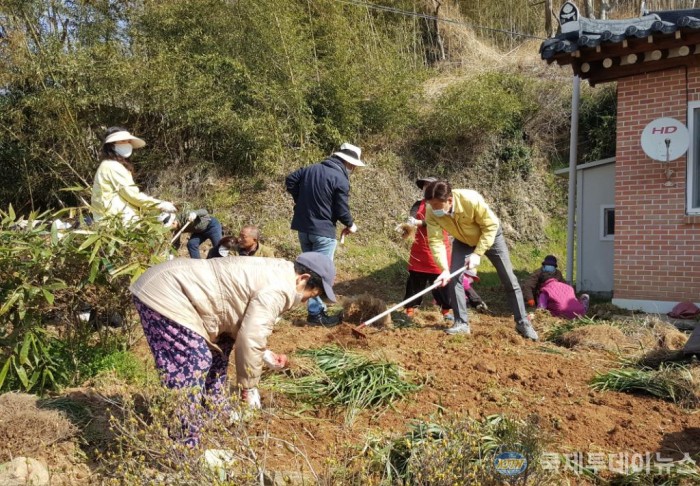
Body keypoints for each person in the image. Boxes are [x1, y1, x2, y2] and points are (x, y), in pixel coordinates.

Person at [129, 252, 337, 446]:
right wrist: (249, 386)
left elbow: (241, 320)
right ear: (303, 279)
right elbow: (250, 337)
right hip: (166, 292)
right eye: (310, 295)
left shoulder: (279, 272)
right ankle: (184, 444)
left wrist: (264, 355)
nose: (305, 301)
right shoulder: (280, 289)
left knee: (221, 348)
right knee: (193, 360)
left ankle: (215, 412)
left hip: (182, 293)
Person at [424, 180, 538, 340]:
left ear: (449, 201)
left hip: (490, 236)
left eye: (436, 204)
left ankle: (523, 323)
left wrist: (478, 254)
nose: (433, 208)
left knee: (509, 279)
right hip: (463, 241)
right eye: (430, 204)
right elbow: (435, 241)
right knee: (453, 278)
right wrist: (444, 269)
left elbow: (490, 226)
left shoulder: (470, 199)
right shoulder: (431, 211)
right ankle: (461, 323)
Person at [285, 142, 364, 326]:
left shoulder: (310, 169)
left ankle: (314, 309)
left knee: (307, 271)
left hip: (304, 229)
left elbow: (290, 180)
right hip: (323, 232)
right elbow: (341, 208)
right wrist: (350, 224)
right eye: (352, 165)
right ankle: (316, 314)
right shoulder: (340, 178)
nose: (353, 169)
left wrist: (301, 200)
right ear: (348, 162)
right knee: (319, 274)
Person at [403, 177, 488, 319]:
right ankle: (410, 309)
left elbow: (434, 223)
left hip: (438, 247)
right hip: (419, 248)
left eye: (429, 185)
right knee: (414, 280)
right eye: (424, 186)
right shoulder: (419, 204)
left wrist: (420, 222)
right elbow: (412, 217)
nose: (426, 188)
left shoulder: (445, 207)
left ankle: (446, 310)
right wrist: (408, 225)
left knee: (441, 281)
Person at [91, 127, 176, 223]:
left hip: (116, 220)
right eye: (123, 141)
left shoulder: (112, 165)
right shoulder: (112, 166)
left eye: (128, 141)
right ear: (112, 145)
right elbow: (132, 195)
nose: (127, 144)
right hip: (115, 222)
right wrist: (160, 205)